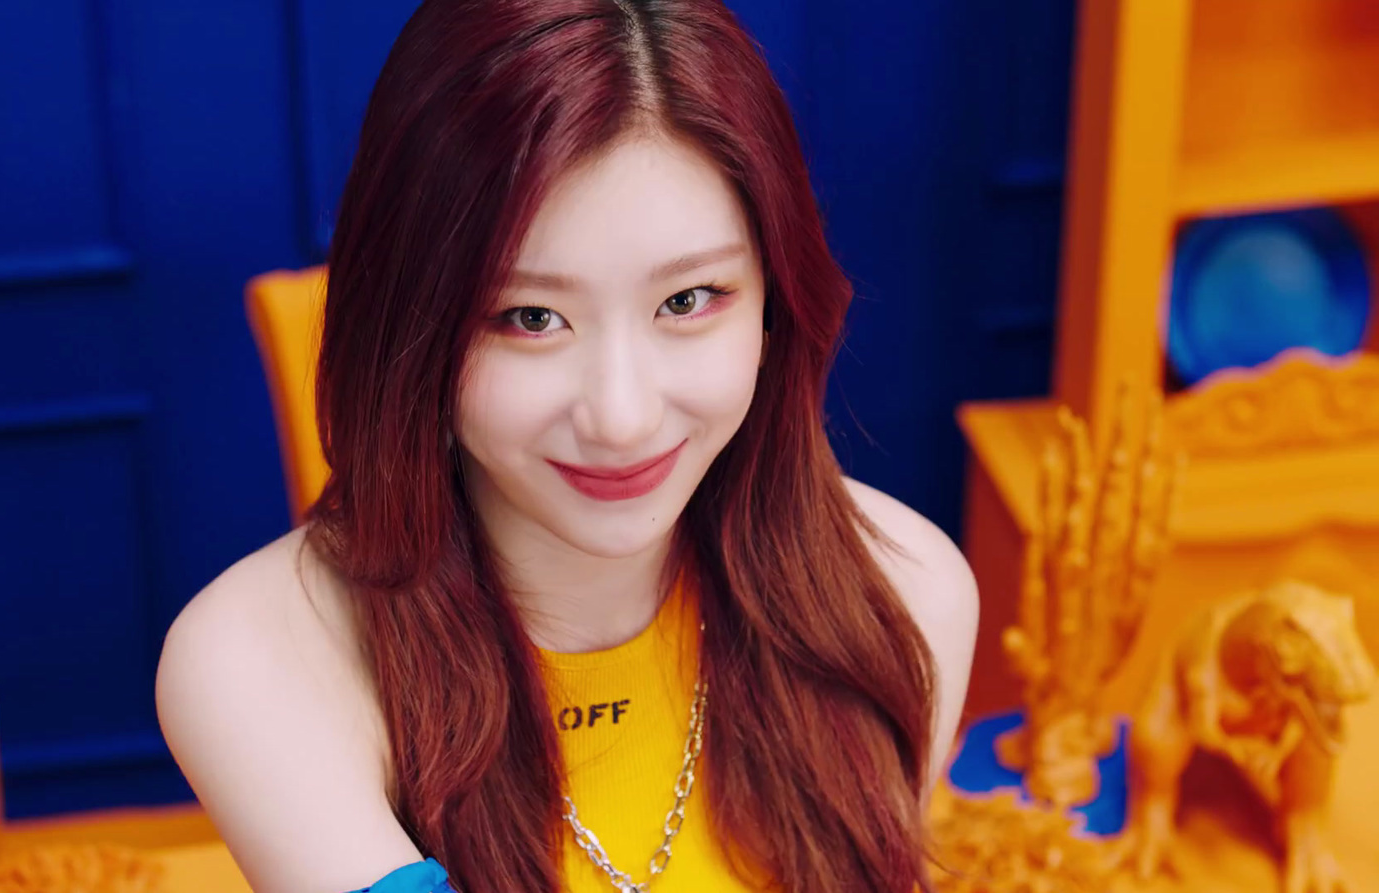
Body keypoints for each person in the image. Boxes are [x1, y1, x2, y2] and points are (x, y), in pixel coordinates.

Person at [155, 1, 979, 891]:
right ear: (414, 324)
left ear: (777, 299)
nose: (620, 416)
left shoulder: (903, 600)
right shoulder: (261, 660)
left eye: (689, 300)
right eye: (529, 317)